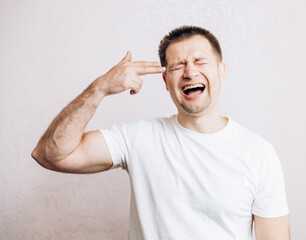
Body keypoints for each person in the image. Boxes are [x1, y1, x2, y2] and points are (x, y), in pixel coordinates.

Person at [32, 25, 290, 240]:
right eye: (178, 66)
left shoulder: (259, 154)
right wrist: (98, 89)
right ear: (166, 82)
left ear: (221, 71)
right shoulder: (137, 139)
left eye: (200, 61)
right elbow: (49, 154)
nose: (190, 72)